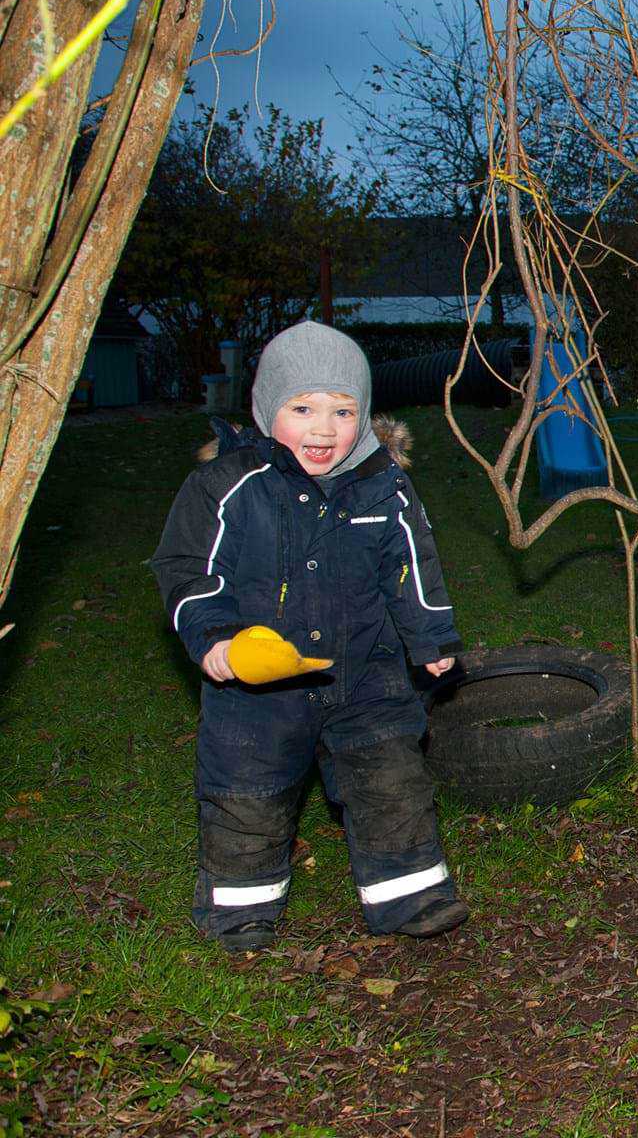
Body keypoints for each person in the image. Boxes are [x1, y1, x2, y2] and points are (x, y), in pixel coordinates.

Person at [152, 321, 468, 952]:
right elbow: (187, 568)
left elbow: (412, 565)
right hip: (259, 682)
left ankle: (410, 894)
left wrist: (431, 639)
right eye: (303, 409)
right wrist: (215, 640)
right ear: (268, 407)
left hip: (368, 673)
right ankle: (240, 910)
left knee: (390, 780)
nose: (324, 429)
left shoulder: (386, 486)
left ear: (365, 414)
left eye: (342, 411)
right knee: (249, 790)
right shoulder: (228, 485)